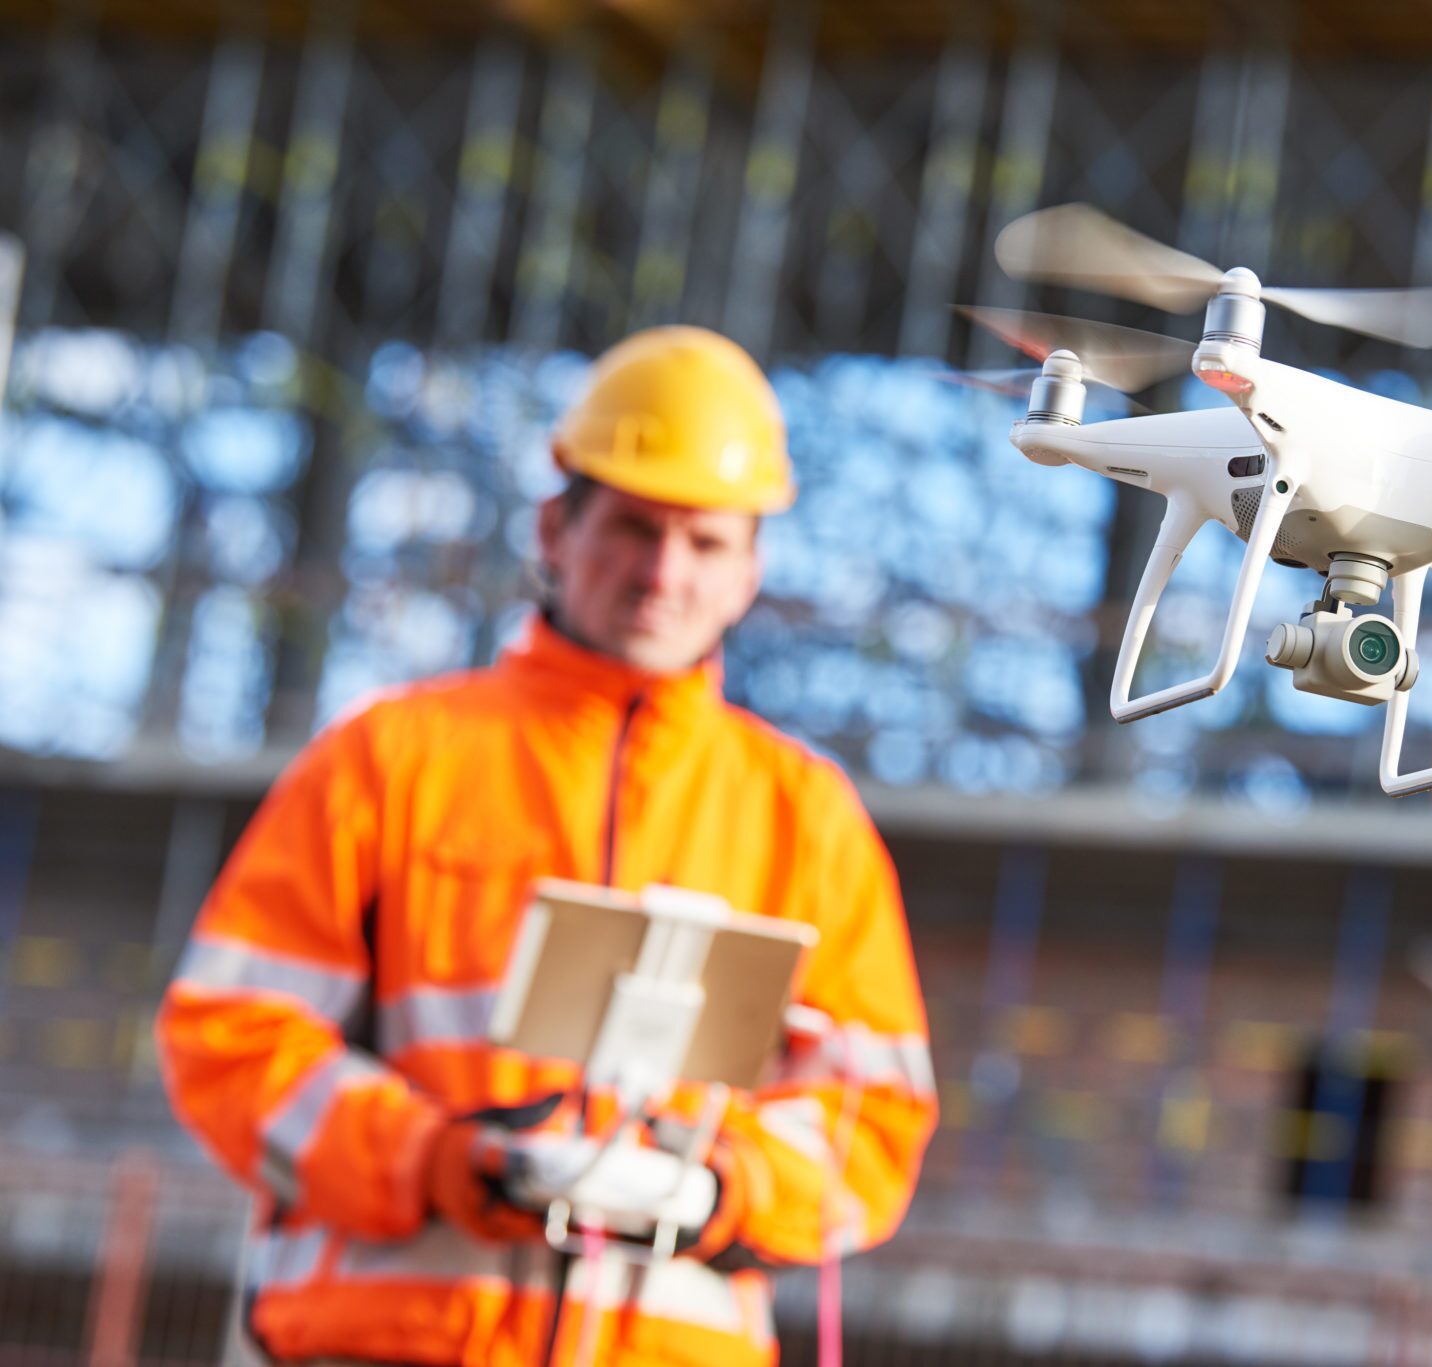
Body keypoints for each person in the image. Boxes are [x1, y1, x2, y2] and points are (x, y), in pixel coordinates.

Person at [156, 327, 937, 1367]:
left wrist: (722, 1186)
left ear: (750, 568)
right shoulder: (389, 757)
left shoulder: (806, 814)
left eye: (704, 541)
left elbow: (873, 1117)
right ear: (554, 530)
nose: (663, 572)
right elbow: (232, 1035)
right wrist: (434, 1158)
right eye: (630, 528)